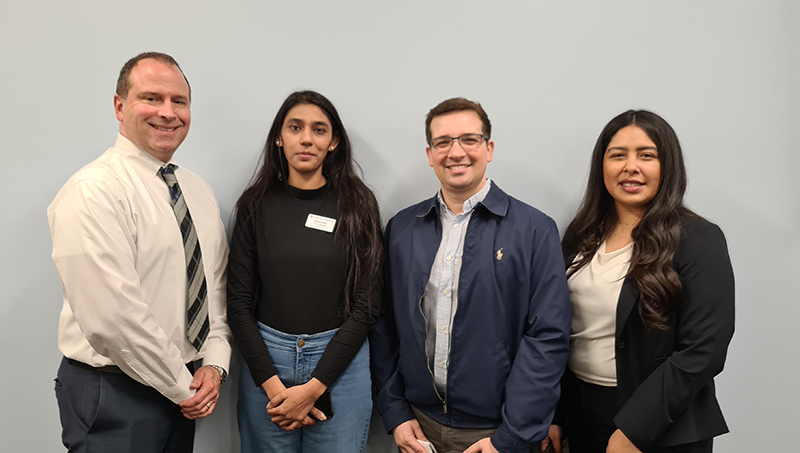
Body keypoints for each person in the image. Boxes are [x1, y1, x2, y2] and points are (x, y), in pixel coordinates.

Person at [48, 52, 232, 453]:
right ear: (120, 106)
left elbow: (215, 290)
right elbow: (113, 319)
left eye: (178, 101)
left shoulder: (197, 191)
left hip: (183, 388)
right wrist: (183, 387)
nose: (168, 113)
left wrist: (214, 364)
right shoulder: (94, 191)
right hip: (114, 392)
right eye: (152, 98)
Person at [370, 97, 572, 453]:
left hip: (496, 433)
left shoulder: (535, 230)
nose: (456, 152)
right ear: (430, 154)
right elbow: (385, 325)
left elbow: (548, 338)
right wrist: (396, 414)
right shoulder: (402, 229)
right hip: (419, 428)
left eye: (469, 139)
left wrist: (509, 440)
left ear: (488, 148)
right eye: (443, 142)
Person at [542, 110, 735, 453]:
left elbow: (704, 349)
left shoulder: (698, 239)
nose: (631, 166)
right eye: (618, 155)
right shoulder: (579, 237)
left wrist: (633, 430)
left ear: (667, 166)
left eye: (646, 155)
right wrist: (555, 415)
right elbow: (561, 332)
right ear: (602, 165)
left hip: (663, 425)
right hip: (584, 418)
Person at [226, 90, 383, 453]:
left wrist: (315, 387)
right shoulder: (254, 204)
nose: (307, 139)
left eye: (319, 130)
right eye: (295, 127)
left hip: (340, 364)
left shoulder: (358, 205)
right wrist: (274, 388)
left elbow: (367, 304)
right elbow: (238, 303)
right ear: (279, 137)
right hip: (266, 363)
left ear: (334, 142)